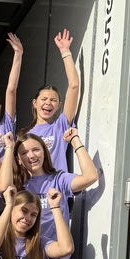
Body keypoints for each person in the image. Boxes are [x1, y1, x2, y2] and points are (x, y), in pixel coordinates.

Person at [0, 129, 98, 243]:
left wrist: (75, 140)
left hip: (56, 252)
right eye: (24, 153)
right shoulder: (17, 184)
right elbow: (2, 188)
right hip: (24, 253)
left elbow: (90, 177)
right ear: (18, 159)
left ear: (44, 153)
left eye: (36, 150)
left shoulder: (59, 179)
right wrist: (9, 148)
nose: (31, 156)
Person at [20, 28, 80, 171]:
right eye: (44, 99)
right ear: (35, 103)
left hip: (57, 191)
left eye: (53, 100)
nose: (48, 103)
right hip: (30, 192)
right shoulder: (24, 135)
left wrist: (65, 52)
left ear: (59, 106)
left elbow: (74, 86)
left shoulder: (61, 127)